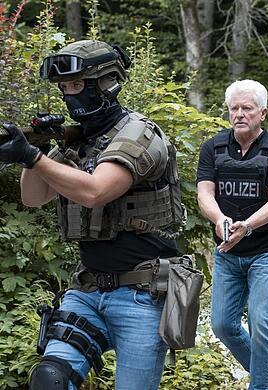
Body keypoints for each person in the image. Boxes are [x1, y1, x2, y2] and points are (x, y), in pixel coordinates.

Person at [0, 40, 185, 389]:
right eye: (64, 88)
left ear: (107, 82)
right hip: (87, 289)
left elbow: (95, 191)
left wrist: (34, 158)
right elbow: (33, 196)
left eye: (77, 86)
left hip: (141, 294)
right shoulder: (76, 140)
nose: (70, 96)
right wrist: (38, 149)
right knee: (50, 379)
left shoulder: (140, 135)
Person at [196, 79, 268, 390]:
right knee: (223, 325)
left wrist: (247, 225)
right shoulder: (212, 147)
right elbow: (204, 194)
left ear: (262, 113)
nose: (239, 114)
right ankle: (264, 362)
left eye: (246, 108)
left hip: (266, 250)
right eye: (234, 108)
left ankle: (262, 384)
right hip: (227, 252)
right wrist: (219, 218)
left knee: (261, 321)